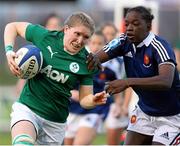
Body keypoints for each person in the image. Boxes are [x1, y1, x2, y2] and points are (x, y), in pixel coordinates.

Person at [4, 12, 108, 145]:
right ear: (66, 29)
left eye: (86, 37)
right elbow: (12, 27)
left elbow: (84, 99)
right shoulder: (45, 37)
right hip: (28, 109)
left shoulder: (87, 62)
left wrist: (92, 100)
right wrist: (9, 51)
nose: (80, 40)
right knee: (23, 143)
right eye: (77, 34)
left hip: (55, 123)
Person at [87, 6, 180, 145]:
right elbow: (96, 57)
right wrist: (92, 60)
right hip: (144, 112)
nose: (129, 28)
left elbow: (165, 81)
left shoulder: (160, 46)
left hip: (171, 115)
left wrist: (126, 82)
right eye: (127, 24)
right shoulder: (123, 41)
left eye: (135, 24)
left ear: (148, 26)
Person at [64, 30, 122, 145]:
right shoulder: (78, 61)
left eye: (100, 43)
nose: (96, 46)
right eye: (93, 43)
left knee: (79, 144)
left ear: (105, 46)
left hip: (94, 111)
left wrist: (119, 105)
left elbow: (117, 87)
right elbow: (63, 83)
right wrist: (71, 92)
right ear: (88, 44)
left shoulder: (111, 66)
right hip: (72, 110)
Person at [101, 22, 132, 145]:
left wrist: (124, 106)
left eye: (112, 34)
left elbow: (129, 84)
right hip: (92, 103)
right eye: (106, 34)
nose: (108, 37)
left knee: (112, 142)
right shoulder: (91, 56)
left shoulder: (122, 60)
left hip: (114, 104)